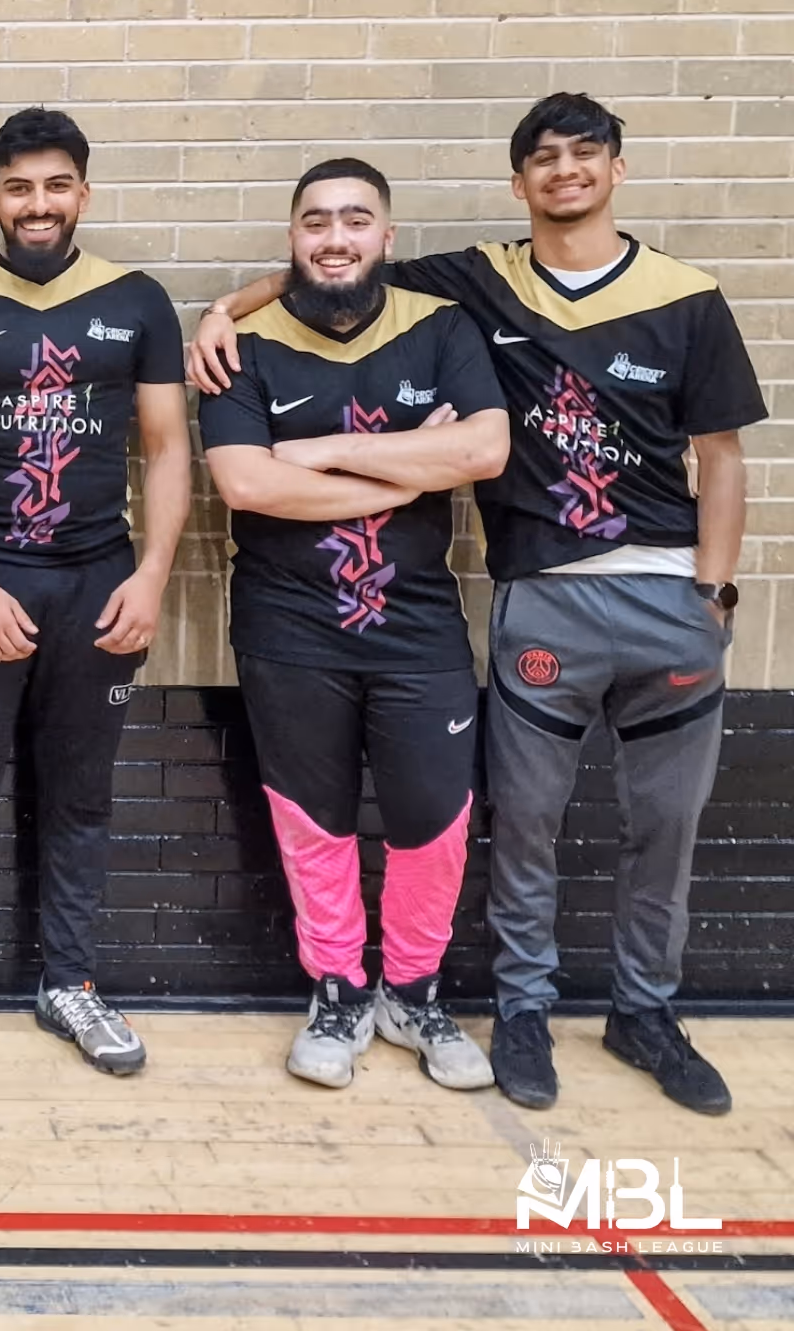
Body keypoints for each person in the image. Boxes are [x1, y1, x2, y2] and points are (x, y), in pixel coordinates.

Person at [188, 94, 765, 1115]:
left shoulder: (627, 302)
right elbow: (250, 468)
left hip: (569, 608)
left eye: (584, 156)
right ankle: (412, 1001)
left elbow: (502, 453)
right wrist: (220, 309)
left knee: (512, 822)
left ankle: (527, 1003)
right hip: (431, 610)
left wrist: (714, 593)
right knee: (428, 824)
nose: (563, 172)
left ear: (616, 170)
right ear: (516, 181)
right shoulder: (444, 294)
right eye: (542, 159)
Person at [0, 107, 191, 1079]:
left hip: (98, 587)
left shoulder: (135, 301)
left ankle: (70, 982)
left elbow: (168, 446)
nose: (37, 204)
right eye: (18, 187)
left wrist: (150, 578)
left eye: (55, 185)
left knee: (79, 796)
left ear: (82, 194)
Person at [198, 158, 509, 1091]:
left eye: (356, 220)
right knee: (313, 820)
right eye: (317, 222)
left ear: (387, 236)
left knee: (433, 820)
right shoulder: (242, 345)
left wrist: (329, 453)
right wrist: (419, 464)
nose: (336, 238)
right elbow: (247, 483)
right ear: (292, 238)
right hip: (289, 628)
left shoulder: (442, 328)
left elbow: (485, 449)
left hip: (419, 630)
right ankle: (337, 988)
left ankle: (411, 992)